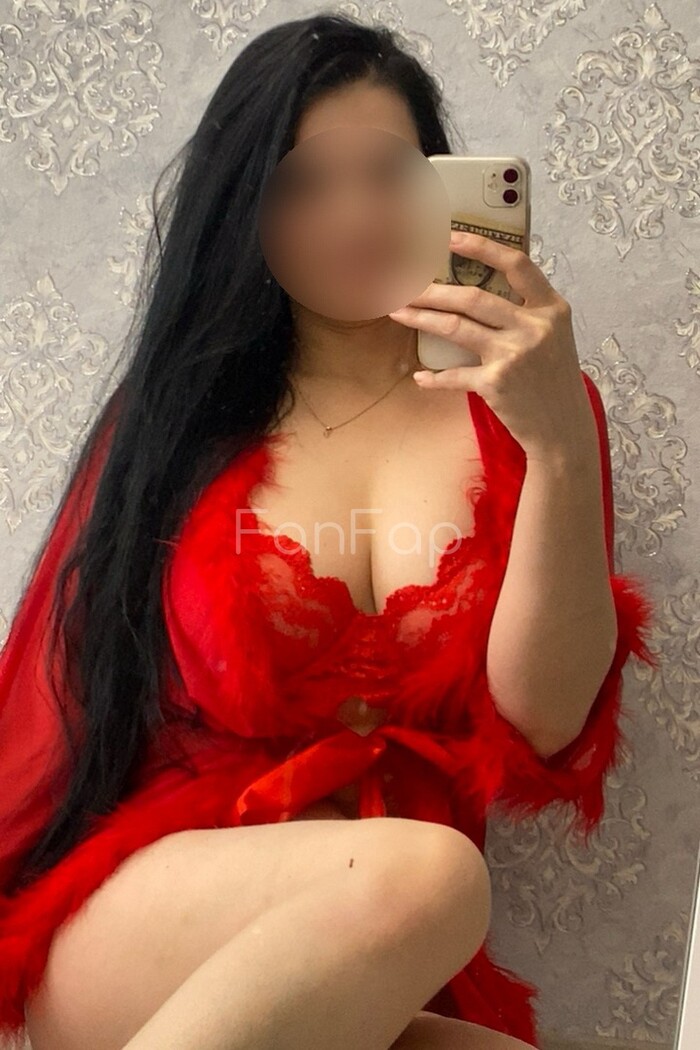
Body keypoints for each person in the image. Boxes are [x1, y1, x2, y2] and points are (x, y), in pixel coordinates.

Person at [0, 12, 656, 1050]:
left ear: (442, 188)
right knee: (437, 874)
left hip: (380, 955)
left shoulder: (532, 412)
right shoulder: (175, 420)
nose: (352, 215)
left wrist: (560, 447)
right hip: (150, 924)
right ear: (245, 210)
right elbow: (51, 712)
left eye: (387, 173)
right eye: (302, 184)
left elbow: (544, 721)